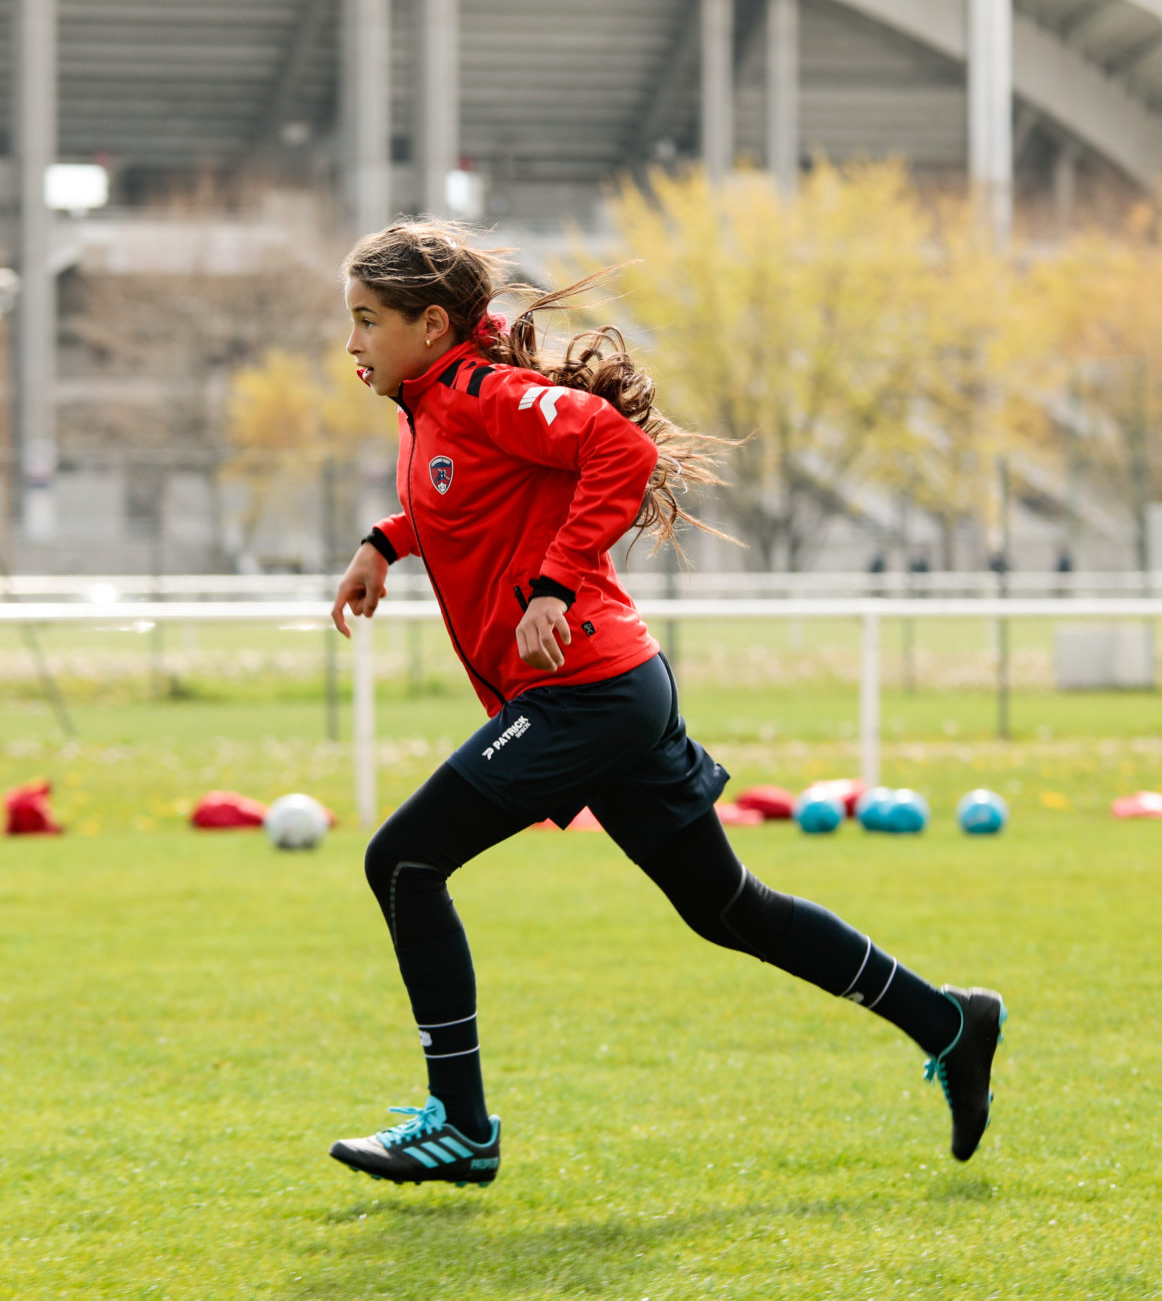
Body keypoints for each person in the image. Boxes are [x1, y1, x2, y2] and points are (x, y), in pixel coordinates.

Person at [322, 222, 1005, 1189]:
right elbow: (469, 500)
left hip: (587, 694)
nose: (351, 344)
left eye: (366, 321)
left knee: (402, 859)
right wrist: (385, 544)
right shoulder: (438, 406)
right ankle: (950, 1020)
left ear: (431, 325)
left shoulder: (483, 391)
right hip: (615, 690)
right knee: (728, 907)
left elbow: (617, 449)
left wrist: (556, 586)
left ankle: (463, 1127)